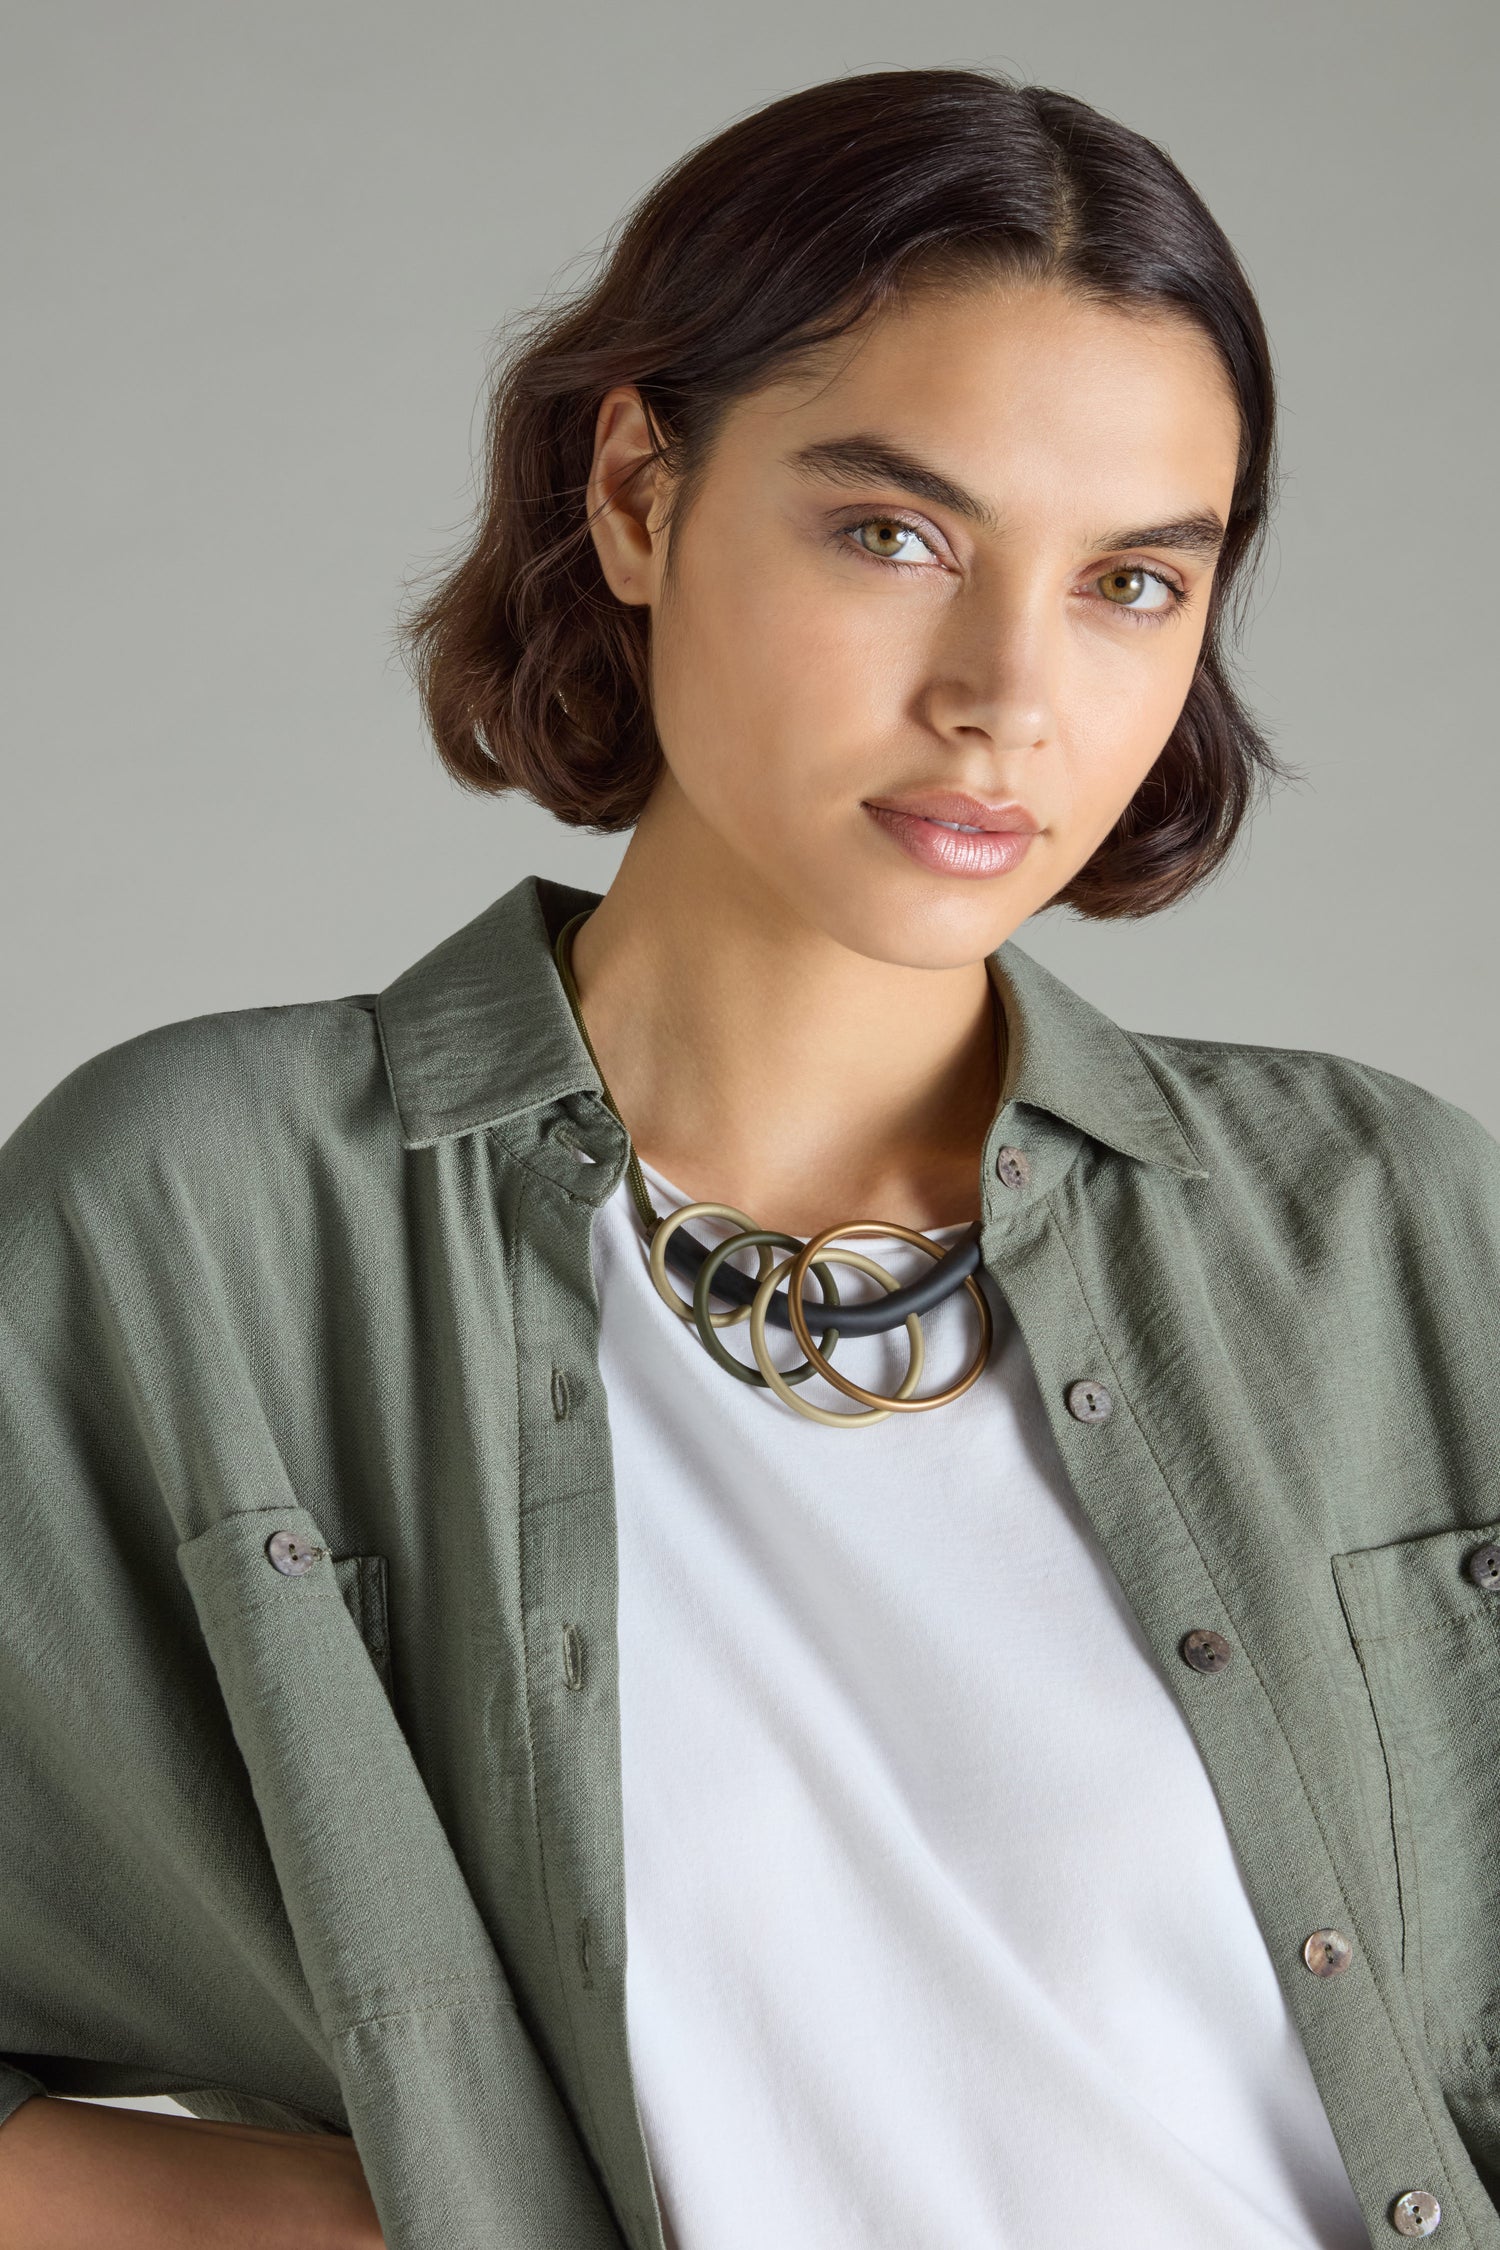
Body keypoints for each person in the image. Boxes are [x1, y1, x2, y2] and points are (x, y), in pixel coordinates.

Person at [1, 62, 1496, 2250]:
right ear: (635, 491)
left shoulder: (1380, 1229)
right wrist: (413, 2210)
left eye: (1133, 585)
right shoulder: (207, 1221)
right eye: (895, 532)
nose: (1008, 692)